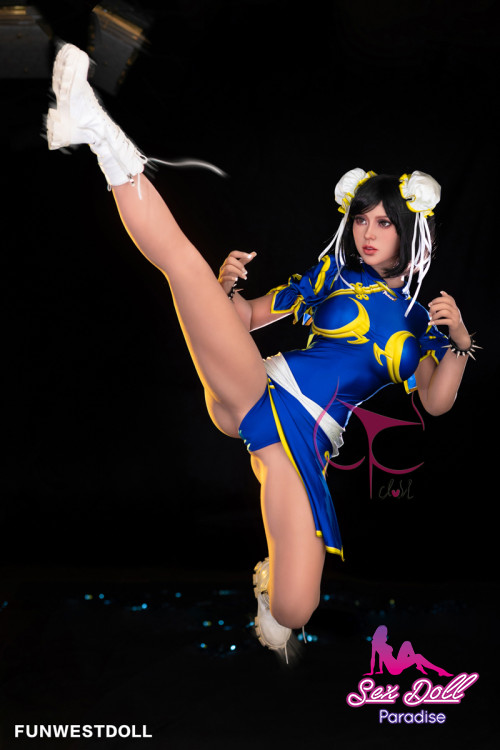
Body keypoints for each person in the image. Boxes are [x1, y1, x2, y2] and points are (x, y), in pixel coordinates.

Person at [46, 43, 478, 662]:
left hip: (309, 442)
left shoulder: (419, 321)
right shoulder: (333, 275)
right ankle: (96, 131)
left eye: (383, 222)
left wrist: (459, 344)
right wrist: (225, 290)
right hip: (262, 393)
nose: (367, 231)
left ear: (407, 231)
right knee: (188, 269)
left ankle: (271, 586)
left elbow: (435, 402)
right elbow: (246, 319)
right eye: (362, 219)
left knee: (294, 611)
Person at [364, 625, 453, 677]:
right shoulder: (375, 644)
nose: (386, 634)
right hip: (394, 669)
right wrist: (372, 671)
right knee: (418, 656)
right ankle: (438, 670)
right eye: (385, 632)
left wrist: (380, 670)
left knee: (407, 643)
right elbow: (374, 658)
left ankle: (420, 666)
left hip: (396, 663)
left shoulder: (381, 643)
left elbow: (381, 659)